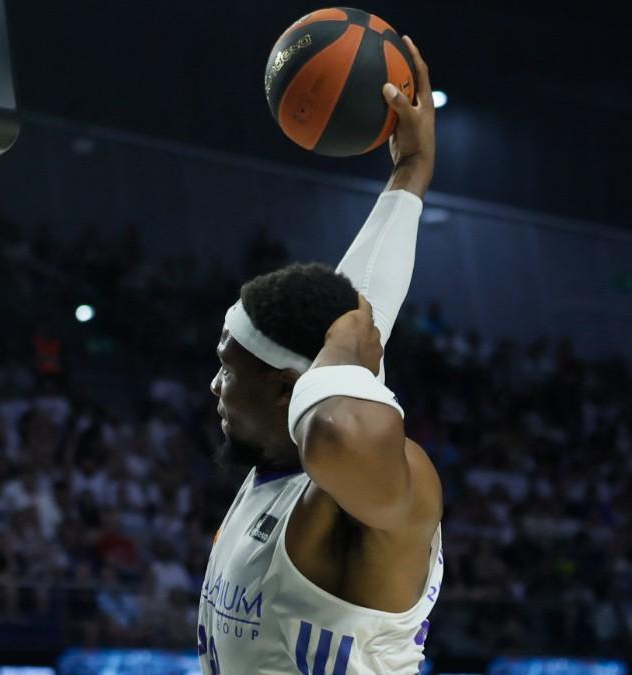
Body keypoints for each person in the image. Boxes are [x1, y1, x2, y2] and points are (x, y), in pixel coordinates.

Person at [198, 36, 444, 674]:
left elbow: (336, 422)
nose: (215, 387)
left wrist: (342, 354)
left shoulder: (370, 491)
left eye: (229, 367)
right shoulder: (281, 461)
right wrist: (410, 171)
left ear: (289, 388)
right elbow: (361, 311)